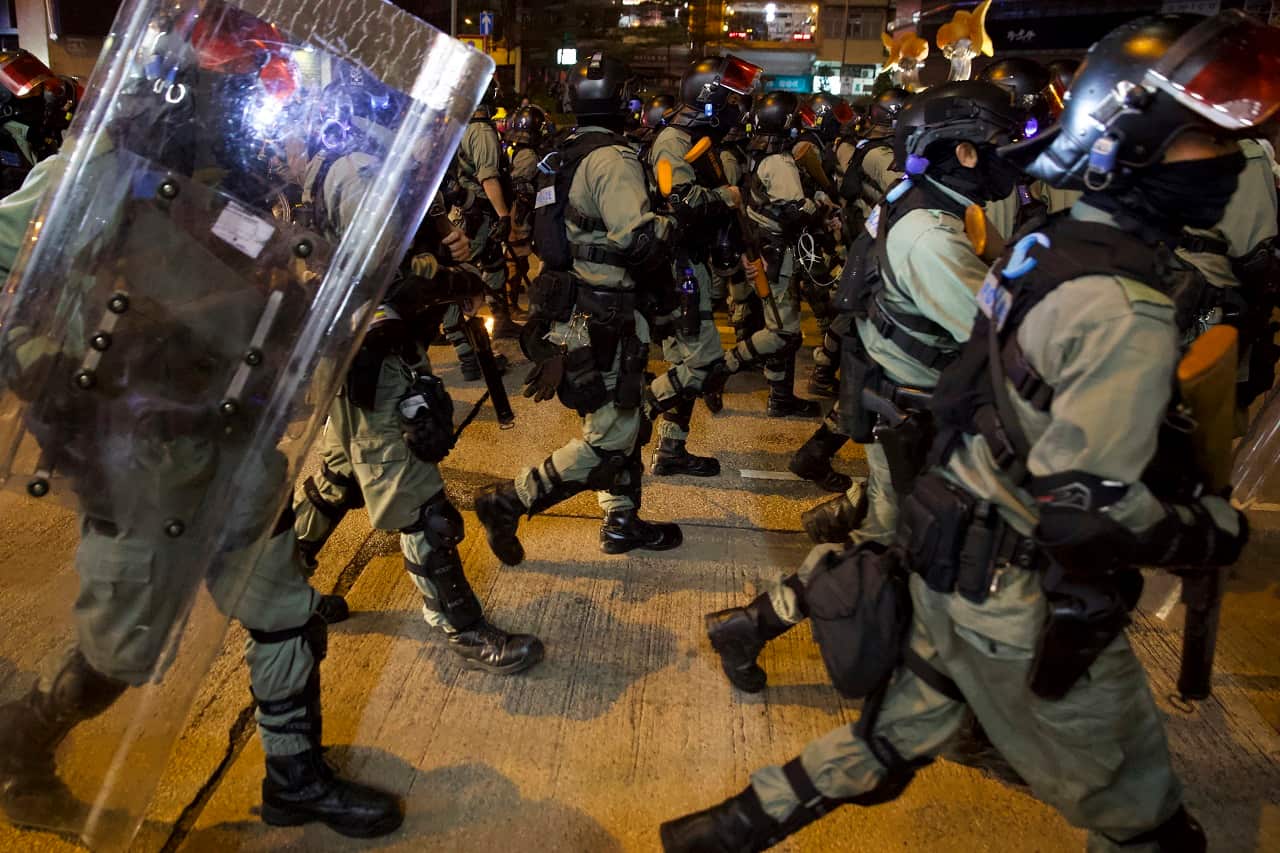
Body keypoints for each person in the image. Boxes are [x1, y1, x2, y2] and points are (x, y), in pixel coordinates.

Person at [661, 11, 1272, 850]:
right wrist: (1208, 532)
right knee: (1145, 824)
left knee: (884, 740)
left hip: (958, 541)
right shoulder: (1111, 295)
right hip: (1015, 587)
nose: (1228, 162)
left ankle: (723, 828)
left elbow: (989, 372)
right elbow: (1082, 509)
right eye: (1204, 141)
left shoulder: (1052, 243)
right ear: (1138, 145)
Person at [0, 5, 449, 836]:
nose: (261, 102)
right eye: (247, 81)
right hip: (138, 454)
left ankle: (295, 777)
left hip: (234, 439)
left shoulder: (235, 195)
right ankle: (21, 745)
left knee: (282, 603)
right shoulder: (97, 175)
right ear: (188, 87)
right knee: (121, 646)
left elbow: (267, 291)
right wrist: (32, 352)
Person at [706, 80, 1026, 693]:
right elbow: (1001, 333)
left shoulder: (925, 200)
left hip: (908, 401)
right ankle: (759, 624)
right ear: (960, 151)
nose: (1007, 152)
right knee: (902, 545)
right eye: (997, 141)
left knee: (894, 536)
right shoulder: (931, 232)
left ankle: (759, 616)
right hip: (911, 410)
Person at [474, 52, 683, 560]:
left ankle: (621, 520)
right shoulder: (612, 159)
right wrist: (674, 226)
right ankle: (511, 500)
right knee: (610, 433)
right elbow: (637, 242)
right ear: (621, 101)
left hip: (574, 307)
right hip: (602, 309)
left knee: (622, 415)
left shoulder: (560, 152)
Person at [644, 56, 761, 475]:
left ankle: (671, 449)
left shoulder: (694, 137)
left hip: (690, 263)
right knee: (704, 363)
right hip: (678, 268)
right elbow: (682, 200)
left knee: (684, 362)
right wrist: (728, 198)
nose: (737, 106)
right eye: (731, 97)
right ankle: (637, 411)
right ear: (709, 98)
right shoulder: (673, 140)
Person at [719, 90, 822, 418]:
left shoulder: (756, 151)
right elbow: (794, 212)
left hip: (763, 246)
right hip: (776, 251)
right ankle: (721, 369)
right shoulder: (780, 160)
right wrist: (818, 205)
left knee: (783, 328)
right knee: (784, 332)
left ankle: (780, 398)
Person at [450, 79, 520, 340]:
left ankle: (501, 321)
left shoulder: (464, 127)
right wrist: (503, 215)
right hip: (478, 212)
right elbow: (489, 177)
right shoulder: (481, 131)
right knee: (463, 269)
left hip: (472, 209)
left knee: (494, 265)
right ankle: (454, 330)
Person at [0, 50, 78, 194]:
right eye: (31, 92)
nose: (38, 96)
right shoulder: (6, 138)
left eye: (38, 90)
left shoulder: (42, 133)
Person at [505, 103, 549, 313]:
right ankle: (509, 303)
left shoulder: (523, 151)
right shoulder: (528, 155)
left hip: (524, 211)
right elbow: (520, 186)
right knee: (516, 259)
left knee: (520, 259)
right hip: (521, 212)